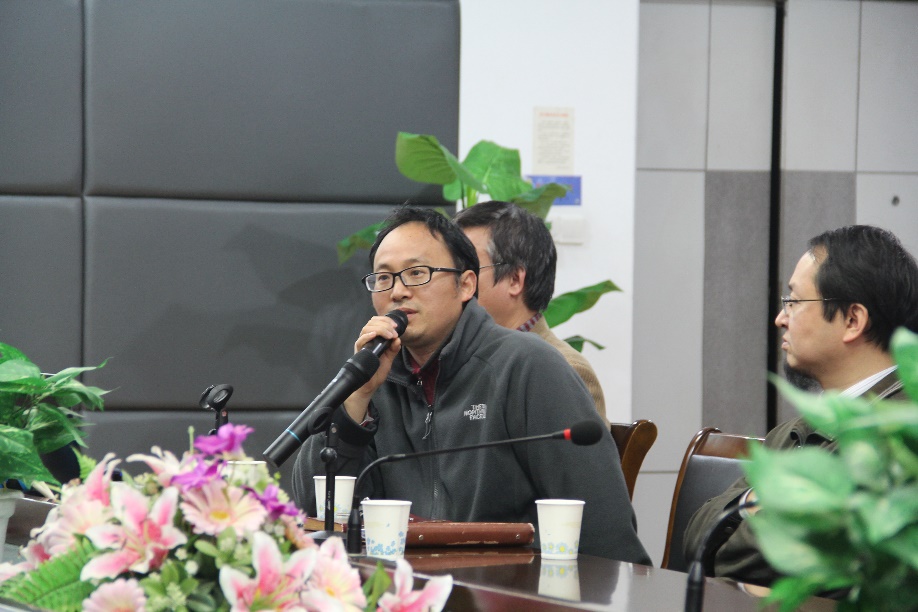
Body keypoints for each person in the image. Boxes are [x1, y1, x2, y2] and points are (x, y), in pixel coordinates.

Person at [291, 206, 650, 564]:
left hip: (511, 586)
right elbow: (317, 511)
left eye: (417, 273)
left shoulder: (528, 366)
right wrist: (357, 399)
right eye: (383, 278)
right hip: (401, 584)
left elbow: (604, 529)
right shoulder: (376, 377)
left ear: (465, 285)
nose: (397, 291)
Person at [683, 225, 918, 585]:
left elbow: (767, 562)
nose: (780, 319)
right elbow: (696, 539)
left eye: (793, 302)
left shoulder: (898, 437)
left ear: (852, 320)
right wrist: (758, 501)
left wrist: (754, 509)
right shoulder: (795, 431)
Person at [454, 201, 608, 425]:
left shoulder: (563, 369)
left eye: (467, 271)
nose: (455, 284)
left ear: (515, 280)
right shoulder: (458, 361)